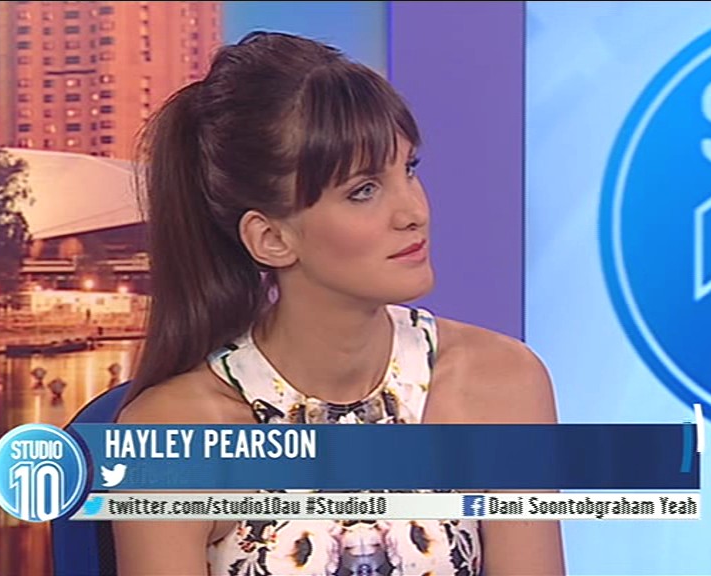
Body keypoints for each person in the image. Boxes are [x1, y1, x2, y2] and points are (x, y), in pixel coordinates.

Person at [115, 31, 565, 576]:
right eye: (364, 190)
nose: (414, 212)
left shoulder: (502, 384)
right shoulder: (174, 437)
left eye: (409, 169)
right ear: (272, 238)